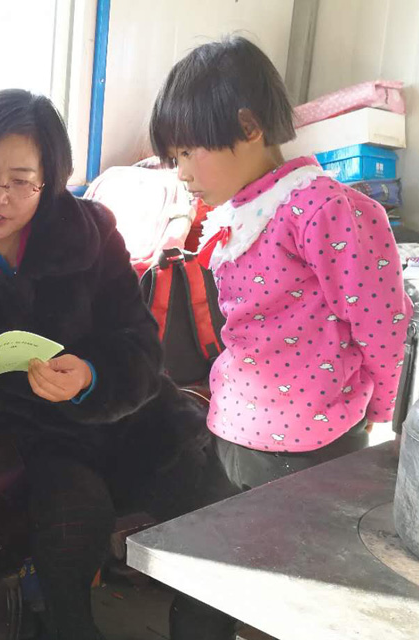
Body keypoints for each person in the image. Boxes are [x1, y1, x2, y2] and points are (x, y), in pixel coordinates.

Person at [0, 88, 231, 640]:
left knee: (214, 507)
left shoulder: (91, 232)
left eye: (21, 181)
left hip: (139, 419)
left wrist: (91, 376)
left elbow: (140, 345)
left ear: (49, 181)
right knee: (67, 520)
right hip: (39, 442)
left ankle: (201, 628)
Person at [148, 35, 413, 639]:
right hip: (232, 430)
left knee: (291, 593)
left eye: (189, 151)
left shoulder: (325, 209)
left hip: (310, 445)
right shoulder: (240, 211)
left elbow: (383, 328)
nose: (182, 173)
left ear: (248, 127)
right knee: (207, 581)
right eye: (174, 156)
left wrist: (384, 422)